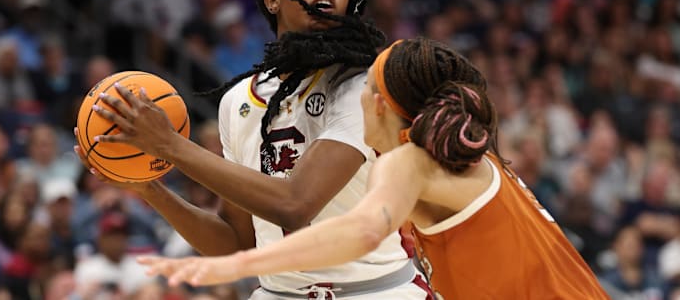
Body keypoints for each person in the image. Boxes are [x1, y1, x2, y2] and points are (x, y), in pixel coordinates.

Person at [75, 0, 432, 299]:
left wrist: (170, 145)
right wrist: (148, 189)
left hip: (374, 291)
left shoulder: (363, 87)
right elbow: (238, 245)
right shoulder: (237, 102)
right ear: (272, 0)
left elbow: (295, 204)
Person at [137, 38, 611, 300]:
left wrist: (243, 265)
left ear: (382, 105)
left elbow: (353, 232)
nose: (355, 98)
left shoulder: (412, 162)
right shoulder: (457, 156)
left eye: (364, 89)